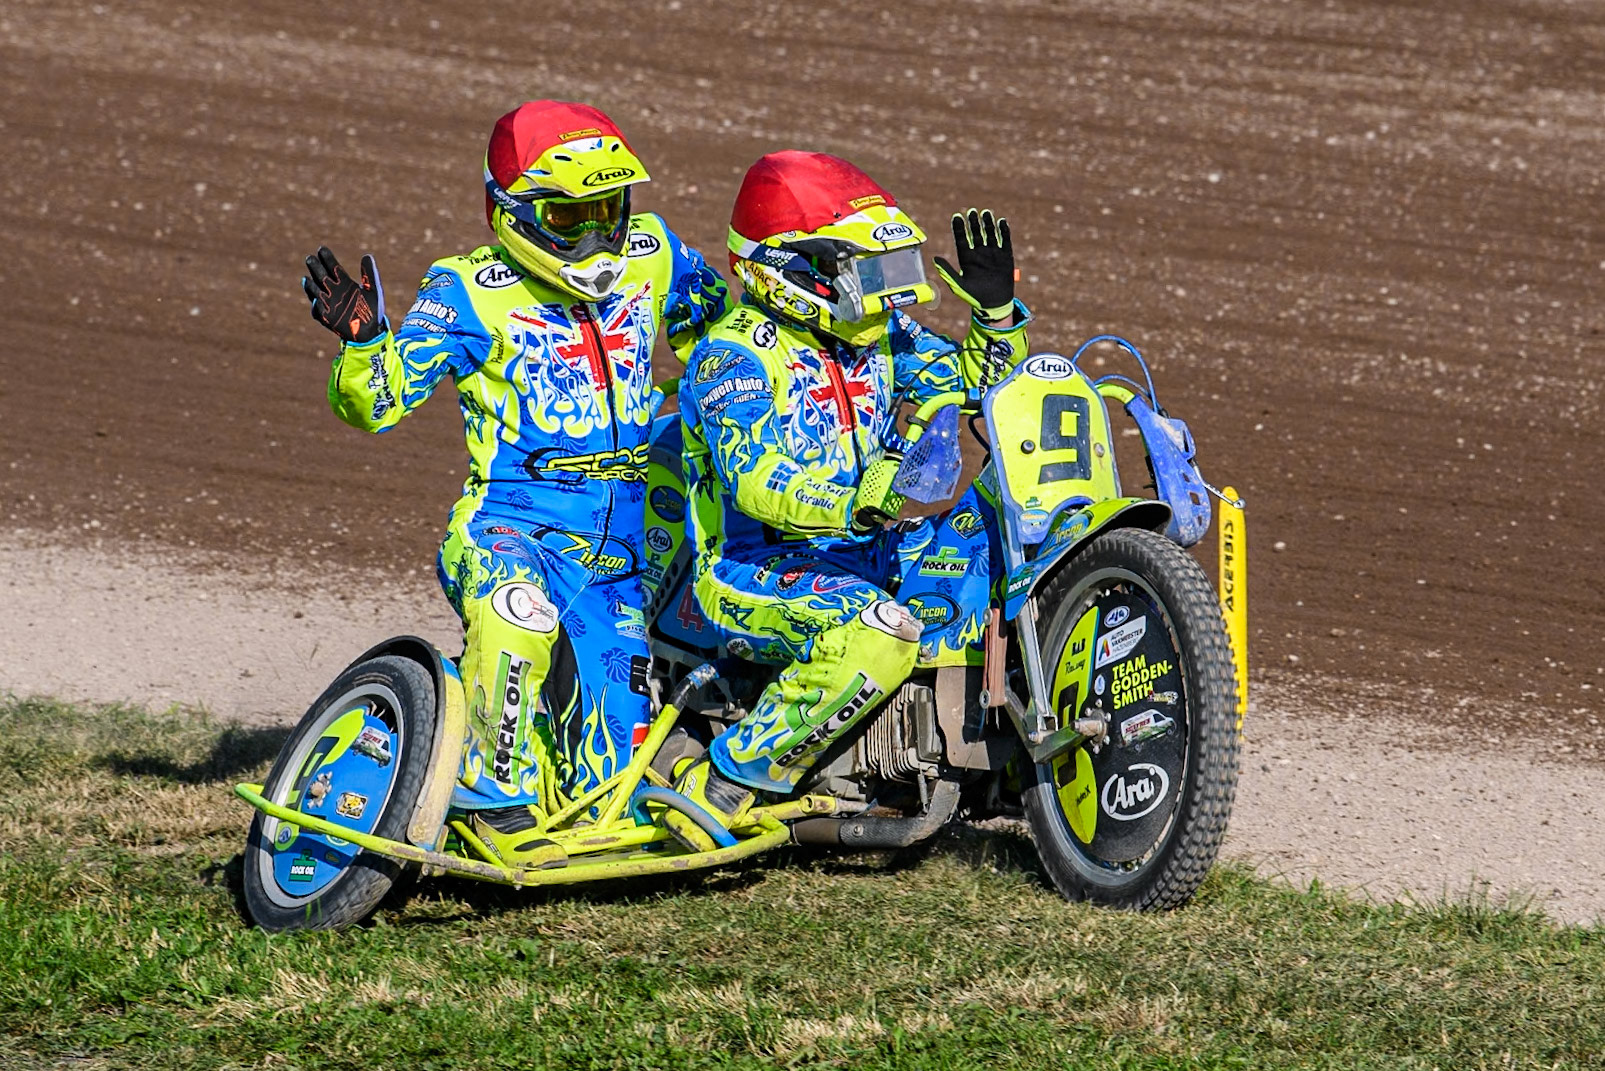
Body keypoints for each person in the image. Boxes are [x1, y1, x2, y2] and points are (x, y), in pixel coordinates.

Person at [301, 100, 727, 866]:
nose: (596, 235)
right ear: (512, 213)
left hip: (619, 559)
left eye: (608, 210)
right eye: (569, 217)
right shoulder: (466, 289)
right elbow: (378, 404)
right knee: (517, 616)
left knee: (604, 780)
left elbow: (722, 338)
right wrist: (364, 344)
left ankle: (529, 778)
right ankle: (486, 796)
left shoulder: (655, 251)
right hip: (509, 531)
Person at [667, 150, 1028, 850]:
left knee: (995, 542)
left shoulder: (881, 338)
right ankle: (729, 777)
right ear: (794, 273)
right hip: (749, 567)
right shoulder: (732, 356)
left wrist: (996, 314)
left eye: (891, 271)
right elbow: (755, 480)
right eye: (869, 274)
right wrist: (853, 504)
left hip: (868, 546)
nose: (889, 296)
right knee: (880, 631)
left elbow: (983, 385)